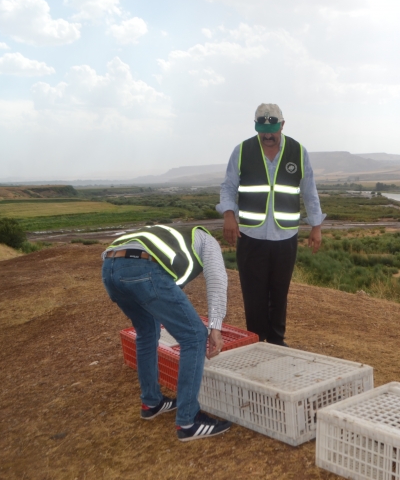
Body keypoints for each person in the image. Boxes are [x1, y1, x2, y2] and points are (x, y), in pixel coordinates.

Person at [102, 224, 233, 441]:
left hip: (109, 268)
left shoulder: (171, 236)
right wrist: (215, 328)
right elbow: (217, 280)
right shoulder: (208, 242)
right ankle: (188, 422)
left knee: (146, 331)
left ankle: (151, 402)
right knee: (194, 336)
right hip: (142, 268)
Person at [217, 103, 325, 346]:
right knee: (253, 294)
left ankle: (276, 341)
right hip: (251, 235)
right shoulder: (242, 150)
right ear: (256, 127)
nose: (267, 135)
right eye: (262, 129)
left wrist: (316, 226)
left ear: (282, 125)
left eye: (272, 129)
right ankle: (256, 341)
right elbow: (228, 187)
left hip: (285, 236)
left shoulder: (298, 151)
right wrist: (228, 214)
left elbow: (309, 191)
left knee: (279, 292)